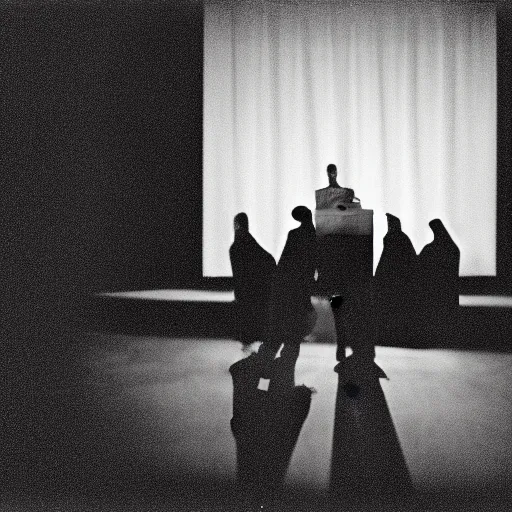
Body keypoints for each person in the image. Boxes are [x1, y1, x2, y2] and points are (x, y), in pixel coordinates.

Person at [257, 206, 318, 372]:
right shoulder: (317, 237)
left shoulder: (294, 235)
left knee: (275, 336)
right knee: (293, 340)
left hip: (287, 289)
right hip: (302, 290)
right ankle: (285, 380)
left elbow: (284, 262)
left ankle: (263, 384)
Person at [229, 213, 276, 345]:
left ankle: (247, 335)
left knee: (246, 308)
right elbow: (268, 259)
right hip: (257, 286)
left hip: (248, 287)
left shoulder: (236, 247)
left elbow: (239, 274)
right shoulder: (249, 243)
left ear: (237, 225)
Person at [374, 213, 418, 345]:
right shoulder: (402, 238)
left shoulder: (393, 237)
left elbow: (386, 259)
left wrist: (379, 276)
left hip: (393, 282)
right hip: (400, 282)